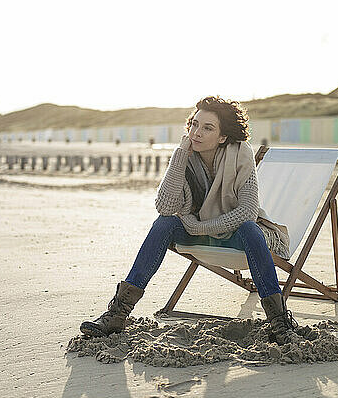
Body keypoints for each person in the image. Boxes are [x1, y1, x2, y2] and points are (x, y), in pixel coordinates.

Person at [80, 96, 298, 344]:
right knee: (163, 224)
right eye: (194, 124)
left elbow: (247, 212)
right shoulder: (185, 156)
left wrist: (199, 227)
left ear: (223, 137)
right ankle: (117, 314)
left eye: (208, 128)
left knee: (250, 228)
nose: (197, 133)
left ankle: (279, 322)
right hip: (199, 231)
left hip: (239, 233)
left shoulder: (241, 154)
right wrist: (179, 156)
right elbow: (165, 207)